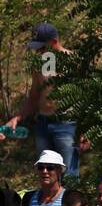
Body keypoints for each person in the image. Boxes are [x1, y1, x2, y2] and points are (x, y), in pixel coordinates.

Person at [6, 24, 83, 178]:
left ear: (54, 42)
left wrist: (84, 131)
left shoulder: (74, 61)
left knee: (69, 176)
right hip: (43, 124)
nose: (38, 51)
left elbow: (85, 98)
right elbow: (34, 96)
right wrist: (18, 117)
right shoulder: (41, 63)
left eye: (42, 47)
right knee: (46, 176)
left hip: (66, 125)